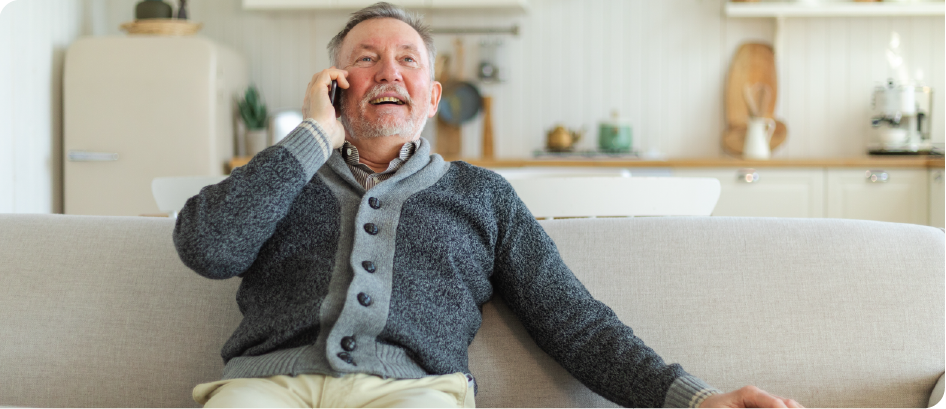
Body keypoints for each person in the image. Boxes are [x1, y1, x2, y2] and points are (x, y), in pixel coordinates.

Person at [173, 3, 807, 409]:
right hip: (263, 387)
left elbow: (576, 324)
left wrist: (694, 401)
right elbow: (207, 246)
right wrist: (313, 136)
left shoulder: (482, 196)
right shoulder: (285, 176)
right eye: (364, 61)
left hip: (413, 394)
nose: (389, 72)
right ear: (334, 89)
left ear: (432, 94)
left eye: (408, 61)